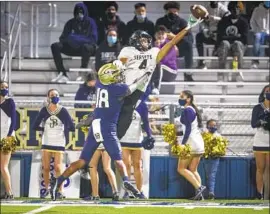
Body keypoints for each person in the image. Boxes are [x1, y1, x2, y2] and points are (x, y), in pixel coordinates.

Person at [50, 63, 149, 200]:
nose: (119, 76)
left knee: (83, 161)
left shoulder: (100, 85)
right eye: (116, 75)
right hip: (108, 127)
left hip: (96, 124)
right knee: (118, 159)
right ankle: (126, 180)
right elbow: (130, 89)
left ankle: (58, 180)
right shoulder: (117, 88)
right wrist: (143, 78)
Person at [32, 89, 75, 199]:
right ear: (48, 97)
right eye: (52, 95)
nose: (55, 97)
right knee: (46, 167)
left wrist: (68, 127)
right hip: (46, 141)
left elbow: (71, 126)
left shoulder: (63, 110)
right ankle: (46, 189)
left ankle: (60, 191)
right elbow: (34, 126)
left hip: (59, 141)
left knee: (57, 167)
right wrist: (44, 129)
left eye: (56, 95)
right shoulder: (44, 110)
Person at [51, 3, 97, 83]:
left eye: (81, 12)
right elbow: (63, 38)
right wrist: (71, 40)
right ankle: (62, 74)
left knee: (86, 46)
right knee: (55, 46)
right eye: (77, 12)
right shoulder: (70, 23)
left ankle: (82, 73)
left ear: (85, 12)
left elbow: (93, 39)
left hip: (86, 49)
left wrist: (75, 38)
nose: (79, 14)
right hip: (72, 47)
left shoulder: (91, 22)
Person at [176, 90, 206, 200]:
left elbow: (188, 128)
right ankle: (200, 196)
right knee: (193, 170)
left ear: (188, 99)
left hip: (190, 143)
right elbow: (188, 128)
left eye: (182, 96)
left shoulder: (188, 110)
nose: (180, 98)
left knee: (181, 169)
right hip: (198, 142)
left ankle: (199, 187)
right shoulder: (192, 109)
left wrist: (183, 144)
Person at [120, 100, 152, 199]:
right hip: (124, 138)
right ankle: (127, 192)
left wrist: (150, 135)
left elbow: (146, 122)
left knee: (138, 165)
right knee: (126, 165)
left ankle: (139, 191)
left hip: (137, 139)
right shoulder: (122, 103)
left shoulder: (142, 105)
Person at [155, 1, 194, 81]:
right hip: (164, 48)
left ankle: (188, 73)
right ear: (166, 12)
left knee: (189, 46)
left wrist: (176, 37)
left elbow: (190, 39)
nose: (172, 14)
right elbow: (156, 35)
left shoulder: (183, 22)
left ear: (178, 12)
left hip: (178, 49)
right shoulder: (160, 21)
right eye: (170, 12)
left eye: (175, 11)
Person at [196, 1, 230, 69]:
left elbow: (228, 20)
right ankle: (202, 61)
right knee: (199, 36)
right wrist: (205, 30)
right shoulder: (206, 9)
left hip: (220, 34)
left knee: (222, 37)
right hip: (210, 33)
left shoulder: (222, 8)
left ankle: (217, 52)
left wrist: (214, 18)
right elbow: (202, 22)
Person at [216, 1, 249, 70]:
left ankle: (236, 71)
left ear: (240, 9)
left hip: (238, 46)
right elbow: (220, 37)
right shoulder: (223, 21)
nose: (235, 10)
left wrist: (229, 38)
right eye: (233, 8)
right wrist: (236, 36)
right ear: (230, 9)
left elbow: (244, 38)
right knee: (225, 43)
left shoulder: (244, 22)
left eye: (237, 8)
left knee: (237, 44)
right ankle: (221, 73)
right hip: (225, 46)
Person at [251, 85, 270, 200]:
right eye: (267, 91)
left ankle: (267, 195)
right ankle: (259, 194)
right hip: (260, 141)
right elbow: (253, 123)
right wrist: (262, 122)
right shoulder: (257, 107)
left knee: (269, 169)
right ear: (263, 93)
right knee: (260, 168)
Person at [0, 81, 16, 199]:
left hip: (7, 137)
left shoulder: (10, 102)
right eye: (2, 87)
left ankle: (9, 193)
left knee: (4, 166)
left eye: (6, 87)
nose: (4, 89)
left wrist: (9, 135)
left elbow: (14, 120)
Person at [203, 119, 221, 200]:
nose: (213, 127)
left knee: (212, 175)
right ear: (207, 126)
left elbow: (222, 149)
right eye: (211, 125)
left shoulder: (218, 136)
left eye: (214, 125)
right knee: (206, 175)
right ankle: (204, 193)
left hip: (215, 158)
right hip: (205, 157)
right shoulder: (204, 135)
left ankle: (211, 192)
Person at [250, 1, 270, 69]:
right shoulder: (257, 10)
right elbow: (252, 21)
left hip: (269, 33)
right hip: (259, 31)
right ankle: (255, 61)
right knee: (257, 37)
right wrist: (256, 31)